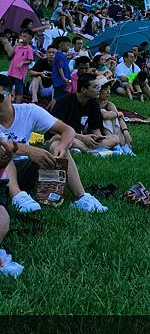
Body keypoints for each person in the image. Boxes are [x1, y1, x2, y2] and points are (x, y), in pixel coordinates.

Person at [0, 75, 107, 213]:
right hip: (3, 170)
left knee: (57, 142)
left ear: (12, 95)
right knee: (4, 152)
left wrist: (62, 147)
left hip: (26, 169)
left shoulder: (28, 112)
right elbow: (5, 145)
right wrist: (31, 151)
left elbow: (67, 130)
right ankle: (17, 196)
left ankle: (82, 197)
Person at [52, 74, 118, 152]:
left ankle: (86, 148)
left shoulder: (93, 104)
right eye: (95, 87)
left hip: (81, 138)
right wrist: (82, 137)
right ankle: (89, 149)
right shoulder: (64, 102)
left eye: (98, 87)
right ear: (83, 90)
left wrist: (96, 139)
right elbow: (54, 129)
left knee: (115, 139)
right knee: (64, 139)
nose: (98, 90)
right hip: (63, 136)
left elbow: (96, 131)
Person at [2, 29, 34, 104]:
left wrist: (23, 62)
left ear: (29, 39)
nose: (22, 37)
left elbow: (30, 60)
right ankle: (7, 100)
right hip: (12, 71)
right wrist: (15, 45)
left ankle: (18, 104)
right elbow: (10, 55)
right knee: (8, 87)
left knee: (19, 90)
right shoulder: (18, 46)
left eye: (25, 36)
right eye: (21, 36)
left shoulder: (29, 49)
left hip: (19, 74)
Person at [51, 36, 71, 102]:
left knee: (57, 97)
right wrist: (64, 78)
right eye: (67, 45)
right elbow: (60, 68)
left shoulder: (61, 55)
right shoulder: (60, 56)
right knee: (57, 98)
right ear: (61, 44)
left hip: (61, 81)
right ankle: (53, 110)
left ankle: (49, 109)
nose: (69, 47)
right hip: (60, 81)